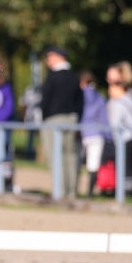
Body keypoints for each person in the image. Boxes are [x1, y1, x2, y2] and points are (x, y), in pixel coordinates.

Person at [40, 46, 84, 199]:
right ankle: (71, 191)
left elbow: (45, 100)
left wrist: (44, 118)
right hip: (72, 119)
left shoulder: (53, 76)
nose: (48, 60)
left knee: (55, 155)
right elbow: (80, 101)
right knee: (71, 156)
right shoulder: (74, 76)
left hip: (53, 119)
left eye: (50, 57)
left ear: (60, 57)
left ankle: (60, 190)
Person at [105, 63, 132, 189]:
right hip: (124, 137)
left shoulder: (122, 98)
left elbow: (115, 121)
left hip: (123, 137)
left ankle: (124, 190)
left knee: (125, 167)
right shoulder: (126, 97)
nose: (108, 79)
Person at [79, 70, 110, 196]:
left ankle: (72, 190)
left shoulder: (79, 95)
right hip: (96, 134)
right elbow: (104, 119)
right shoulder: (100, 97)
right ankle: (89, 193)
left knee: (77, 162)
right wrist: (108, 136)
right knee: (93, 165)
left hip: (80, 132)